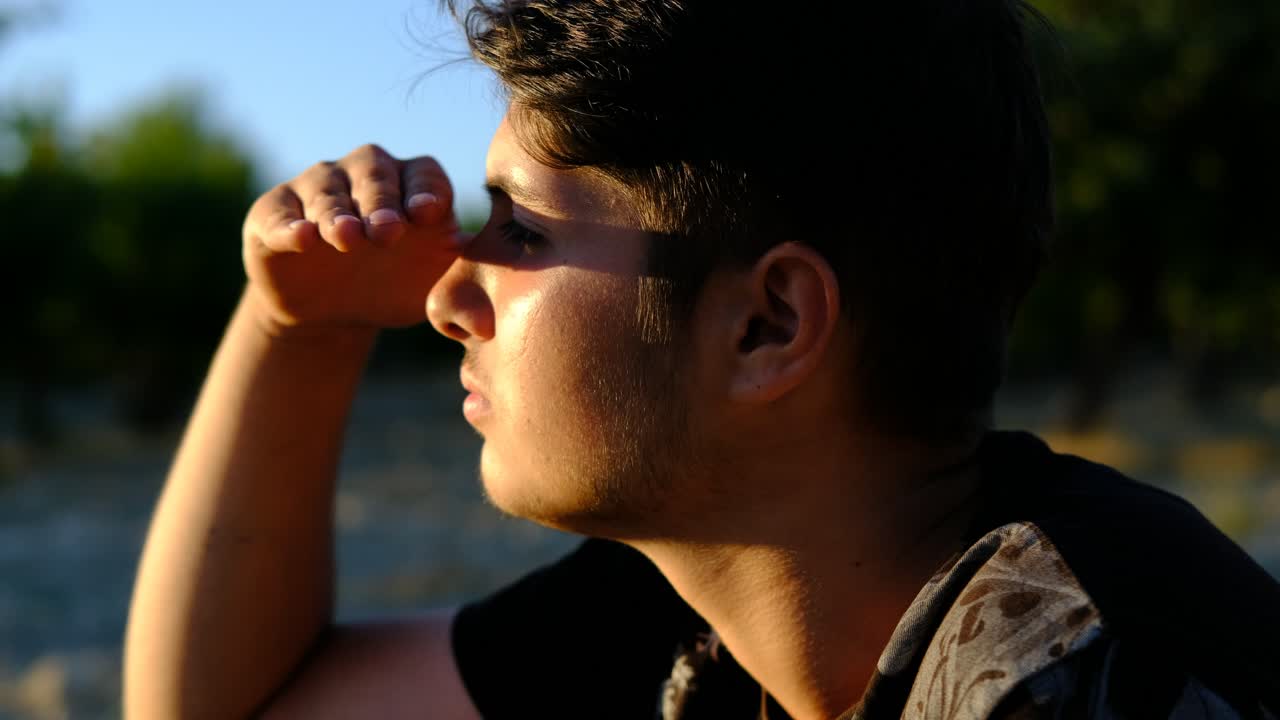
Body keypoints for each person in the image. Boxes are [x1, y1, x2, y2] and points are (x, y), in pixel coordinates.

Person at [124, 0, 1280, 718]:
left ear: (766, 326)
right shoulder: (729, 596)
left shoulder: (1086, 674)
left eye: (522, 228)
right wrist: (296, 325)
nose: (445, 294)